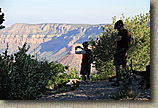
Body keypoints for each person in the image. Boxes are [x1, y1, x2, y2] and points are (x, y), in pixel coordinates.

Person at [112, 20, 132, 86]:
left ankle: (117, 81)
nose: (117, 29)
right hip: (125, 51)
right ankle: (129, 80)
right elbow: (130, 42)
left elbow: (119, 39)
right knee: (125, 66)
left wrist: (115, 40)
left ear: (119, 26)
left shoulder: (121, 32)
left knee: (117, 66)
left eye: (117, 27)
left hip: (120, 51)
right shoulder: (128, 32)